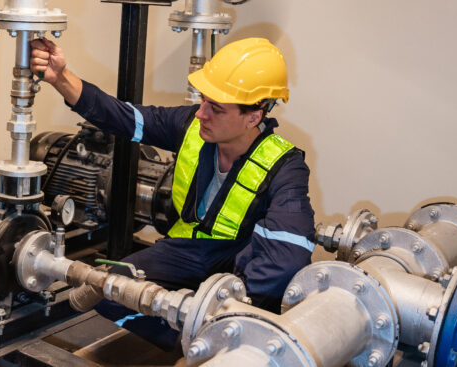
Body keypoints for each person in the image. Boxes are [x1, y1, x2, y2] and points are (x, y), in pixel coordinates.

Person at [30, 37, 316, 350]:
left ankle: (218, 345)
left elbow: (286, 257)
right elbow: (124, 117)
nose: (200, 114)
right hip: (189, 251)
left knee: (255, 319)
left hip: (241, 267)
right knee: (109, 289)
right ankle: (189, 345)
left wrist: (228, 313)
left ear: (254, 116)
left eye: (215, 108)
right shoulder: (191, 126)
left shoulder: (285, 167)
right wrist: (60, 77)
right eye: (203, 101)